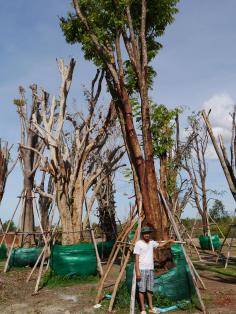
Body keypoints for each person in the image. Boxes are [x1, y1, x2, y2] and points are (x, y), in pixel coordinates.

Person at [134, 226, 174, 314]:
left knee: (149, 289)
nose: (147, 235)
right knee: (141, 290)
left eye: (148, 233)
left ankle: (151, 308)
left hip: (150, 269)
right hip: (142, 269)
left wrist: (168, 241)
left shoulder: (152, 243)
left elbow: (160, 245)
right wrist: (137, 271)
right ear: (142, 234)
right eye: (145, 233)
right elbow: (136, 259)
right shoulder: (138, 244)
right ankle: (143, 309)